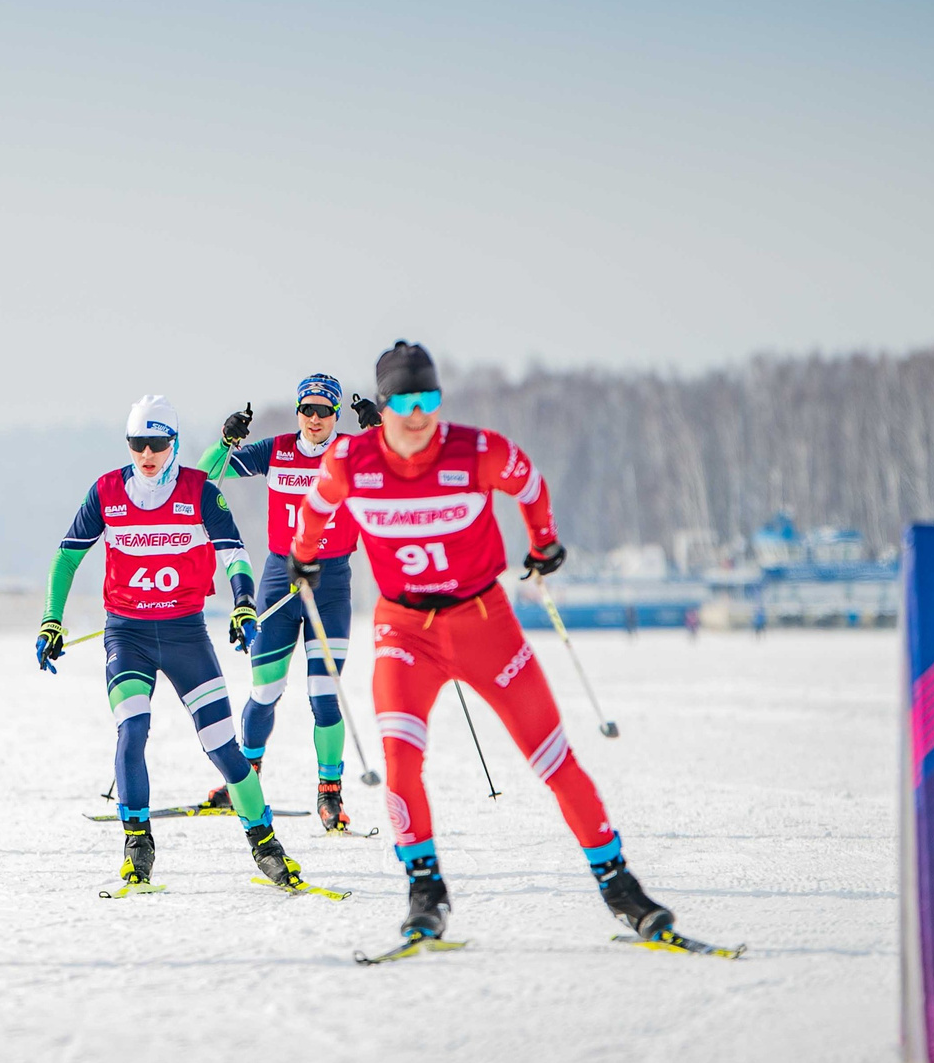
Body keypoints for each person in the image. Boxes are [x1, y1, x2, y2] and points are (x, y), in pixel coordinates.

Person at [288, 340, 684, 949]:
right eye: (404, 400)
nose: (419, 414)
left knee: (552, 758)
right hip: (403, 630)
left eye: (430, 398)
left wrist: (543, 544)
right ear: (383, 404)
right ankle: (425, 891)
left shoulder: (477, 451)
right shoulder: (351, 460)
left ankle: (619, 886)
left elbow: (530, 485)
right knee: (401, 760)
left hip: (484, 623)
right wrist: (304, 559)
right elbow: (315, 510)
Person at [38, 397, 311, 893]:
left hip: (186, 635)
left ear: (174, 443)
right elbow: (67, 556)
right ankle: (136, 844)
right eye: (138, 444)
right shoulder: (106, 491)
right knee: (132, 731)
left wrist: (245, 603)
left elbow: (234, 555)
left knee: (223, 749)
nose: (147, 453)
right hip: (128, 635)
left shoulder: (200, 490)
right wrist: (51, 620)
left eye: (157, 444)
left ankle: (266, 844)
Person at [196, 373, 362, 833]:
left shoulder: (351, 453)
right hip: (278, 578)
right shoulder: (277, 450)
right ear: (297, 412)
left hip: (331, 584)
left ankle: (330, 792)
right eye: (306, 410)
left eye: (324, 411)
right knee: (265, 689)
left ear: (335, 415)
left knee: (324, 695)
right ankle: (245, 779)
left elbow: (402, 468)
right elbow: (207, 475)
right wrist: (225, 440)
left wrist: (379, 430)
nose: (314, 419)